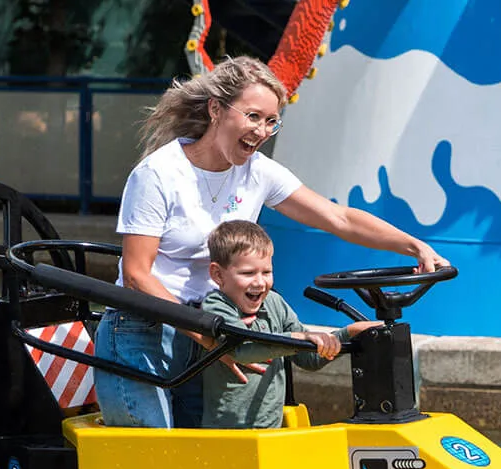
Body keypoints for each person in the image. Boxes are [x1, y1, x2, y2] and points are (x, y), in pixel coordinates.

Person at [98, 55, 447, 429]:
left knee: (204, 449)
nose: (262, 131)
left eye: (271, 121)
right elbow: (136, 275)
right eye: (253, 116)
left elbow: (339, 218)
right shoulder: (158, 173)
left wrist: (415, 246)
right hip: (145, 328)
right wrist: (212, 337)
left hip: (212, 326)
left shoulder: (257, 172)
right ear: (216, 109)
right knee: (153, 449)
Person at [197, 221, 376, 429]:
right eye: (248, 273)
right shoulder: (216, 306)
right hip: (227, 434)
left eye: (266, 272)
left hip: (271, 430)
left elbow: (309, 358)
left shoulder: (274, 303)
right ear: (218, 275)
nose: (260, 282)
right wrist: (299, 338)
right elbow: (242, 350)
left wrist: (349, 333)